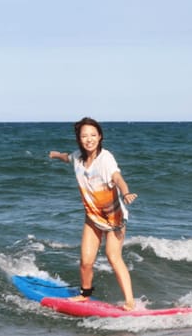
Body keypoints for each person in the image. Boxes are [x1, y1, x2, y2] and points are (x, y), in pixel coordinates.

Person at [49, 117, 138, 310]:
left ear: (100, 137)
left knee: (113, 256)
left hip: (114, 219)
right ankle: (85, 295)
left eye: (93, 135)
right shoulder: (78, 158)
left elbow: (117, 177)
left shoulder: (105, 159)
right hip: (92, 217)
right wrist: (55, 155)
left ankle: (130, 302)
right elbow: (67, 157)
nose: (89, 139)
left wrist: (126, 192)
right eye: (84, 136)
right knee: (85, 261)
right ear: (79, 139)